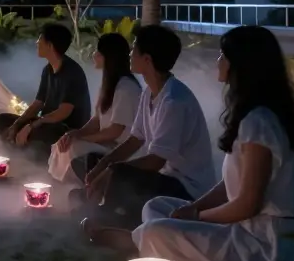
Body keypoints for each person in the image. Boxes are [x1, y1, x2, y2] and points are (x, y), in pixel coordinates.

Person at [133, 26, 294, 261]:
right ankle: (152, 243)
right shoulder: (255, 116)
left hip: (267, 245)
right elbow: (230, 185)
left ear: (241, 65)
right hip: (250, 229)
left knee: (155, 231)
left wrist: (197, 217)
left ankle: (138, 242)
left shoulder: (259, 122)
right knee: (156, 207)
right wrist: (194, 207)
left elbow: (247, 204)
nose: (218, 60)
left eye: (223, 55)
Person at [80, 24, 216, 241]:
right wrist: (103, 165)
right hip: (165, 178)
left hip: (187, 189)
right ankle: (104, 213)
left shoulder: (174, 101)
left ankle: (111, 222)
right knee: (98, 161)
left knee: (120, 173)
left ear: (147, 59)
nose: (130, 54)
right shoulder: (150, 94)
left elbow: (156, 161)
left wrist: (113, 170)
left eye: (134, 49)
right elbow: (135, 140)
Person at [47, 32, 142, 186]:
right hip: (106, 143)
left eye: (98, 52)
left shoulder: (126, 88)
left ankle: (67, 186)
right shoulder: (109, 85)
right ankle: (59, 185)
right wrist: (75, 133)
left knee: (73, 147)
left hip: (119, 149)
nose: (94, 54)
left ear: (109, 57)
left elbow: (114, 131)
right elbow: (97, 120)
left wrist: (82, 139)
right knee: (64, 142)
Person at [0, 23, 91, 160]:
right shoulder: (48, 70)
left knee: (44, 132)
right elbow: (38, 103)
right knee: (1, 121)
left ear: (50, 45)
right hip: (45, 123)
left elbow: (63, 112)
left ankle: (27, 153)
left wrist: (31, 126)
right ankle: (20, 149)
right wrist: (17, 124)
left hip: (64, 129)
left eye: (40, 39)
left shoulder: (72, 72)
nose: (37, 42)